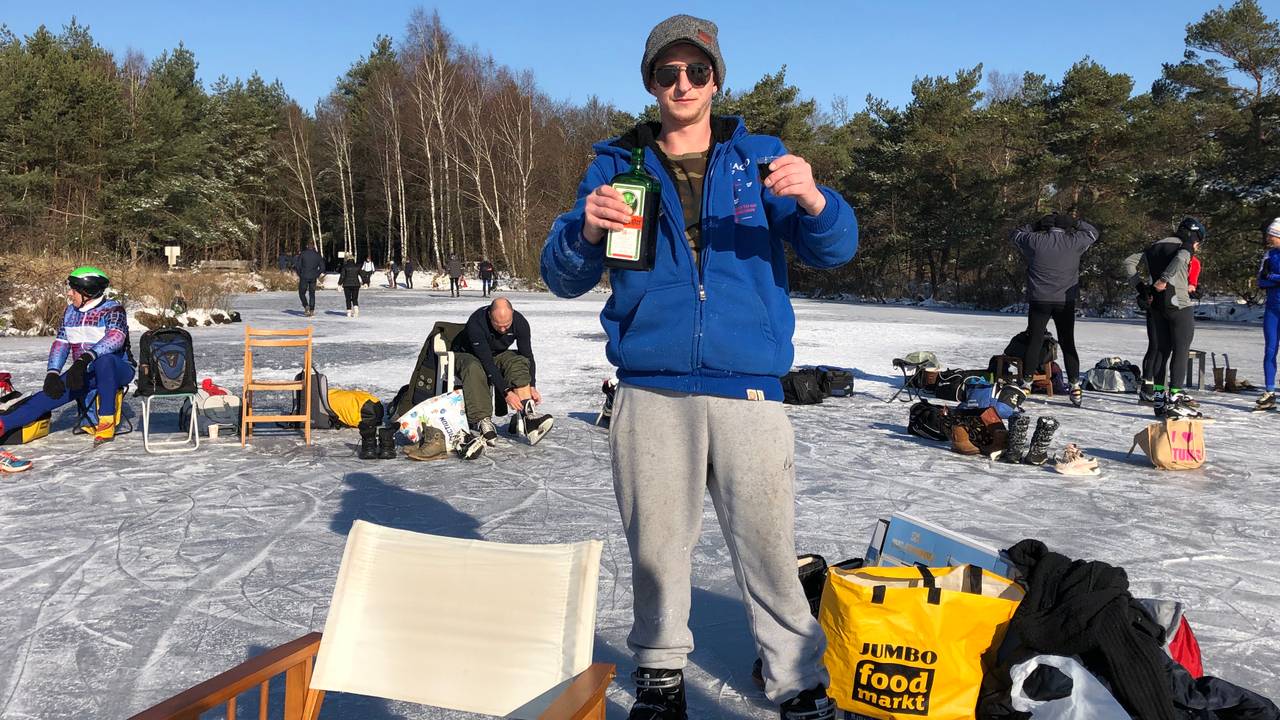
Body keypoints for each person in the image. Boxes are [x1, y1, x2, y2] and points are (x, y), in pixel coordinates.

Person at [540, 15, 857, 720]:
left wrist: (815, 199)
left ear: (716, 78)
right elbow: (561, 275)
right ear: (651, 82)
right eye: (666, 72)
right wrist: (584, 230)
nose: (682, 84)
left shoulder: (760, 158)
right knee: (657, 551)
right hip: (650, 388)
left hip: (749, 388)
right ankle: (659, 680)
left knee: (771, 550)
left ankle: (797, 681)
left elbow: (834, 248)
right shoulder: (616, 166)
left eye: (696, 71)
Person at [0, 267, 135, 447]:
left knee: (105, 360)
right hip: (84, 371)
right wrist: (53, 373)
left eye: (74, 289)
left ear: (88, 291)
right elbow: (61, 343)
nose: (69, 293)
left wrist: (84, 359)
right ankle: (4, 425)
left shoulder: (113, 309)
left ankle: (106, 421)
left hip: (118, 369)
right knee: (43, 398)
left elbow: (116, 337)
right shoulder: (70, 312)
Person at [1010, 212, 1099, 406]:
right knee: (1068, 343)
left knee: (1034, 341)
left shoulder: (1035, 240)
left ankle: (1026, 383)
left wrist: (1034, 225)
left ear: (1046, 226)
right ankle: (1075, 386)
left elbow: (1016, 234)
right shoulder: (1074, 241)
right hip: (1064, 301)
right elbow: (1093, 233)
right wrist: (1076, 222)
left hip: (1039, 300)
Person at [1123, 217, 1205, 418]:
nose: (1196, 246)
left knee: (1161, 351)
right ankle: (1175, 398)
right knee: (1181, 350)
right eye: (1198, 242)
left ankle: (1159, 398)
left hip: (1156, 305)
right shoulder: (1185, 246)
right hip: (1178, 304)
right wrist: (1164, 280)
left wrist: (1142, 289)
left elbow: (1128, 262)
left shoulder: (1154, 246)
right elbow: (1181, 258)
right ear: (1194, 236)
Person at [451, 297, 553, 449]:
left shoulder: (520, 322)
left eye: (507, 325)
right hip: (467, 354)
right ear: (490, 317)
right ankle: (482, 420)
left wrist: (532, 385)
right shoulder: (476, 323)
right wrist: (506, 392)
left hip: (496, 353)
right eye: (498, 326)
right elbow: (486, 362)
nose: (504, 330)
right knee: (474, 368)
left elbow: (527, 355)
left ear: (512, 314)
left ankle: (528, 417)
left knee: (517, 361)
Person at [1136, 243, 1203, 403]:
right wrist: (1142, 291)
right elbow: (1153, 279)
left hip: (1170, 304)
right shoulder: (1166, 255)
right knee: (1157, 347)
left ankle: (1163, 392)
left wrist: (1194, 289)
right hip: (1161, 305)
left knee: (1164, 348)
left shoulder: (1195, 262)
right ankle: (1150, 388)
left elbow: (1190, 284)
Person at [1255, 218, 1280, 411]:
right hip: (1273, 309)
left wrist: (1273, 277)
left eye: (1271, 235)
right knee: (1270, 350)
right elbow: (1261, 281)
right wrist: (1272, 279)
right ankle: (1269, 391)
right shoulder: (1269, 255)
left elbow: (1268, 278)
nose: (1268, 238)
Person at [296, 244, 324, 316]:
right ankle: (312, 310)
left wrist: (300, 274)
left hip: (304, 276)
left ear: (307, 246)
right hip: (313, 277)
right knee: (312, 294)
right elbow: (322, 267)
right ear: (314, 247)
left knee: (301, 293)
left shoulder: (303, 254)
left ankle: (306, 306)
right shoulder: (317, 255)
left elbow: (298, 266)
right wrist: (317, 274)